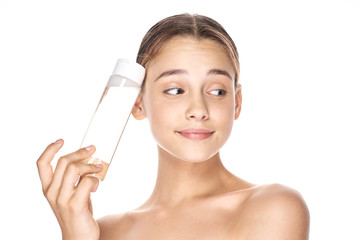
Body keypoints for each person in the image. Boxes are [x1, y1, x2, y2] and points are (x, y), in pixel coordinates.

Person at [37, 13, 310, 239]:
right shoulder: (104, 231)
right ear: (137, 104)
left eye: (217, 91)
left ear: (236, 102)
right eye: (176, 90)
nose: (198, 111)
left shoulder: (274, 207)